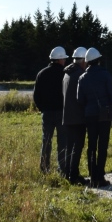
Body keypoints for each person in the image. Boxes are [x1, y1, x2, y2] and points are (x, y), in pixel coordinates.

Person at [76, 46, 112, 188]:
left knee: (91, 146)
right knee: (102, 146)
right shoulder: (105, 74)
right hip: (104, 115)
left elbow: (80, 99)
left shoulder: (82, 77)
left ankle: (92, 176)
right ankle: (100, 176)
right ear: (98, 60)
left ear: (88, 61)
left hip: (90, 114)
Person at [33, 45, 68, 174]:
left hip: (47, 113)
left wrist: (43, 109)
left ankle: (44, 168)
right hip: (61, 113)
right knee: (62, 142)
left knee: (46, 141)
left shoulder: (41, 74)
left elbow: (36, 96)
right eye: (64, 59)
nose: (65, 61)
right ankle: (62, 169)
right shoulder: (65, 74)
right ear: (59, 60)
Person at [62, 45, 87, 184]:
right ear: (83, 61)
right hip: (78, 117)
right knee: (77, 147)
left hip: (67, 116)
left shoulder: (67, 73)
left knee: (69, 146)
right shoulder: (79, 75)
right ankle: (74, 176)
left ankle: (68, 173)